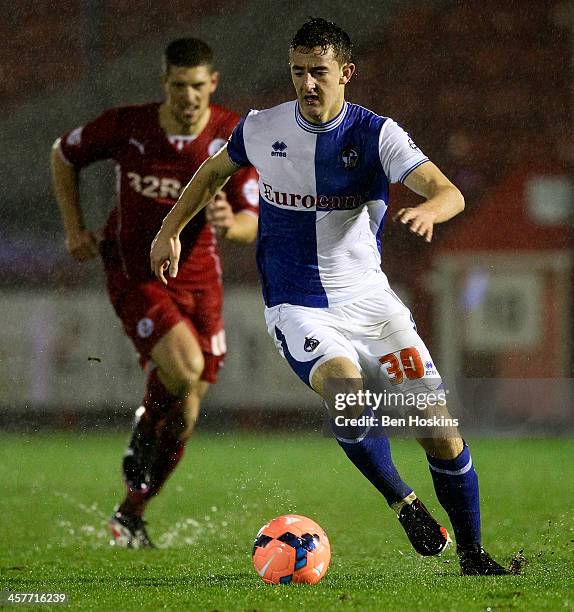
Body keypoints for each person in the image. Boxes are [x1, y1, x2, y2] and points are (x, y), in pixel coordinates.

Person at [150, 19, 509, 575]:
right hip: (297, 304)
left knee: (438, 429)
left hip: (372, 305)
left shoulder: (377, 135)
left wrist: (429, 211)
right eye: (298, 72)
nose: (307, 83)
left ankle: (473, 557)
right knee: (347, 391)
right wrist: (169, 230)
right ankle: (404, 502)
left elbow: (447, 191)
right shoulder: (263, 127)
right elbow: (210, 173)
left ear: (345, 73)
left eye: (318, 72)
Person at [51, 38, 259, 548]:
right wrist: (75, 228)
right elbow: (63, 153)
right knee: (183, 368)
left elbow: (253, 219)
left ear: (213, 84)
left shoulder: (231, 134)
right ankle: (144, 428)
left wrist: (232, 224)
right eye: (178, 85)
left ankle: (130, 513)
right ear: (164, 83)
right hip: (136, 271)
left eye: (198, 86)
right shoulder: (128, 125)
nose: (188, 96)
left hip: (201, 284)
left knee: (186, 413)